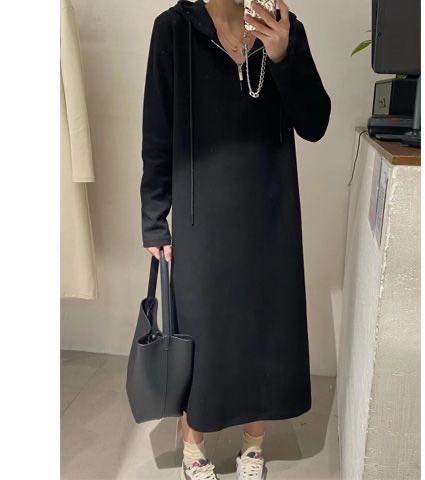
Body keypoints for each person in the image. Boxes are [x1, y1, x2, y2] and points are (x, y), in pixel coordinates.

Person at [140, 0, 331, 478]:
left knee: (262, 327)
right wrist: (154, 217)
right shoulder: (174, 30)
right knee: (203, 329)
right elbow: (157, 131)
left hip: (270, 211)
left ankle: (253, 444)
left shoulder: (282, 29)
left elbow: (315, 123)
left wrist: (284, 56)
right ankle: (193, 444)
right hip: (200, 216)